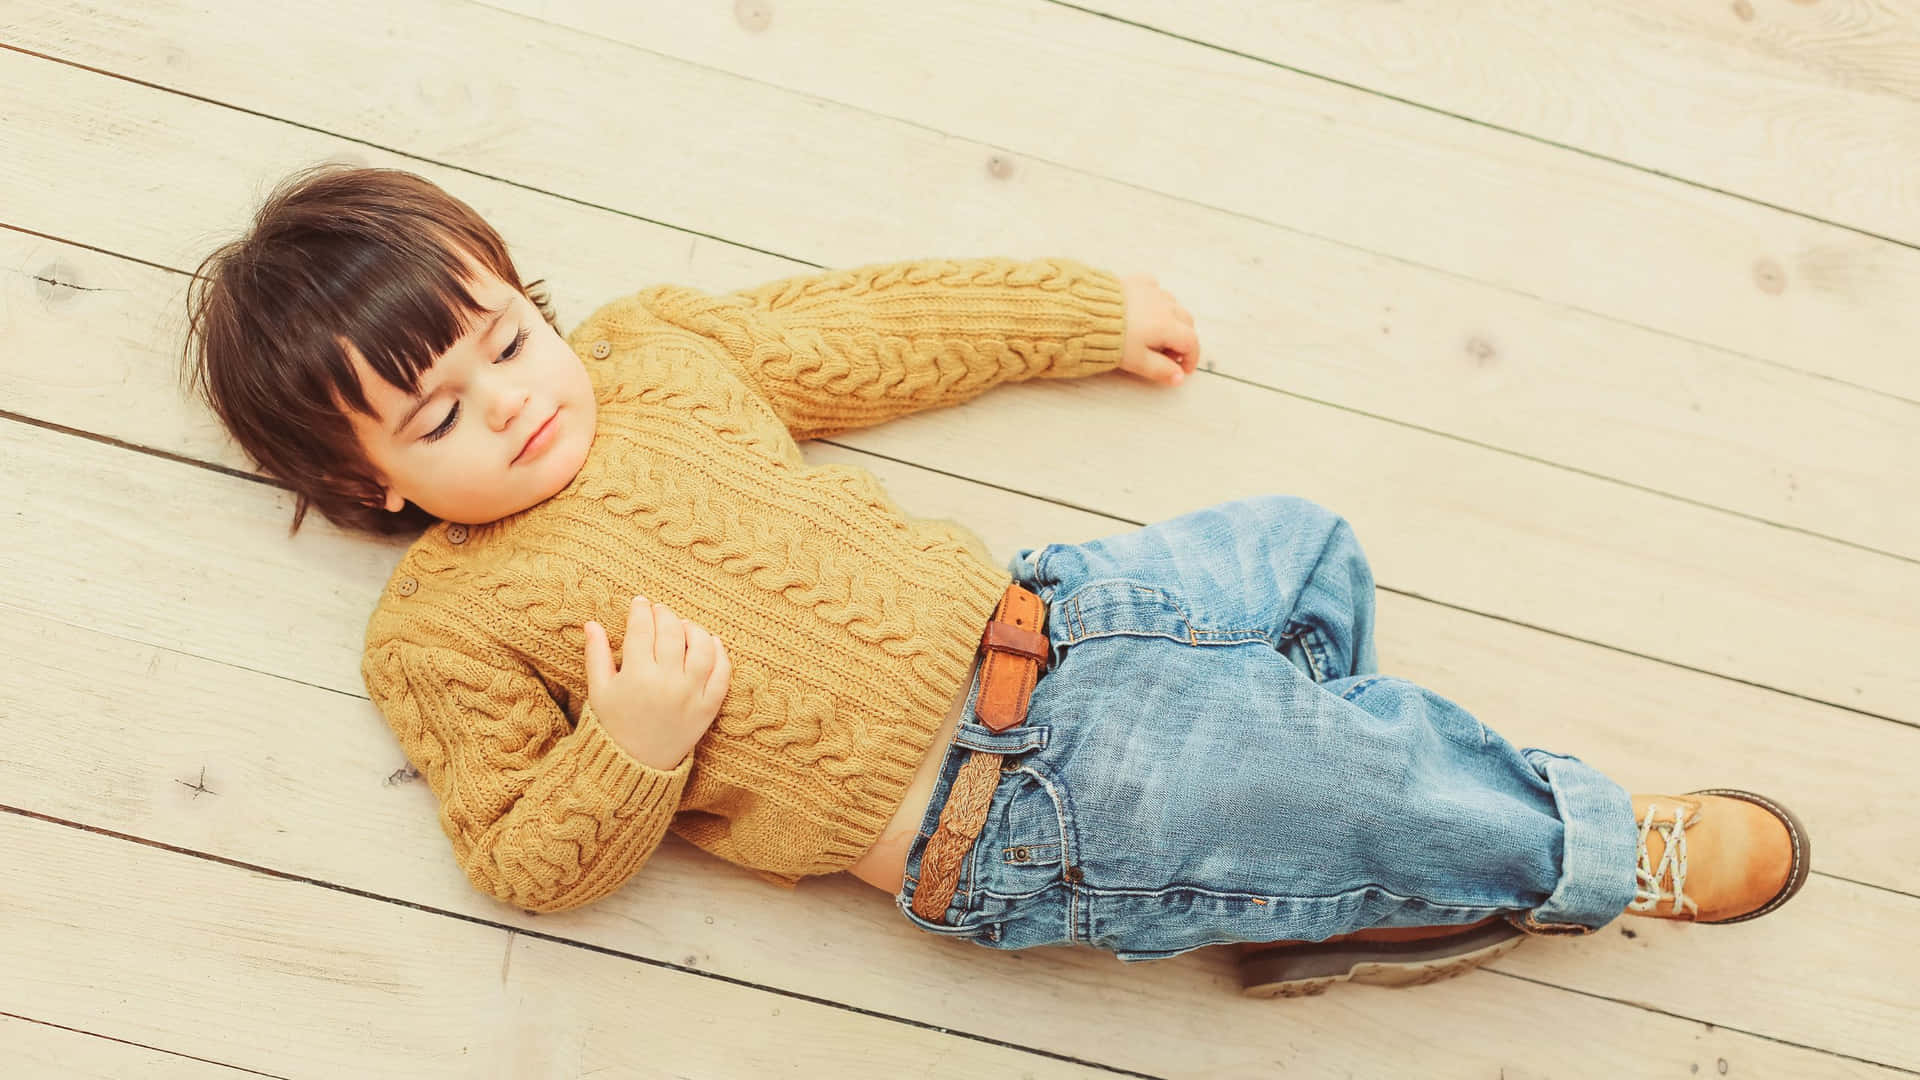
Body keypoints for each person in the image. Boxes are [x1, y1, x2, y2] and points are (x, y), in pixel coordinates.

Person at [180, 164, 1808, 999]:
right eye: (441, 415)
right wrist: (634, 743)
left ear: (534, 297)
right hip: (993, 804)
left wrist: (1078, 310)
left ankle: (1338, 893)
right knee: (1299, 760)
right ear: (365, 480)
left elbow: (868, 332)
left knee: (1302, 542)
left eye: (509, 339)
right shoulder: (443, 622)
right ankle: (1591, 850)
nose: (519, 399)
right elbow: (522, 859)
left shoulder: (655, 353)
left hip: (1069, 610)